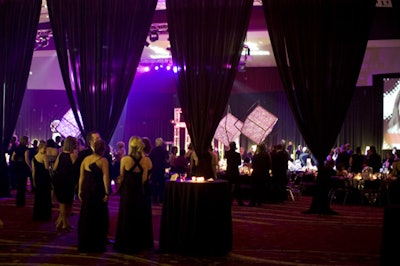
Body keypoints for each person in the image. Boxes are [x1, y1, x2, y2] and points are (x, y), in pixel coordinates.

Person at [114, 136, 153, 254]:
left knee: (127, 216)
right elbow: (144, 179)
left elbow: (121, 177)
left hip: (128, 192)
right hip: (140, 193)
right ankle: (139, 242)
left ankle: (126, 242)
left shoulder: (125, 159)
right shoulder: (146, 160)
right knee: (139, 216)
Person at [78, 139, 110, 253]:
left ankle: (85, 242)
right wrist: (107, 192)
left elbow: (81, 177)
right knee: (98, 217)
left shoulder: (85, 160)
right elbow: (105, 177)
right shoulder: (103, 161)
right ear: (103, 149)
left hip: (86, 190)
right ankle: (96, 243)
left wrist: (79, 190)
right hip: (97, 191)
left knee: (86, 215)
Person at [53, 136, 78, 232]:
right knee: (67, 203)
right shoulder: (73, 155)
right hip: (68, 182)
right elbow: (75, 170)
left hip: (59, 181)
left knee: (64, 203)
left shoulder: (61, 155)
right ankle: (65, 224)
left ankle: (60, 222)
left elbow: (55, 168)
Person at [31, 141, 52, 221]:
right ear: (40, 148)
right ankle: (45, 215)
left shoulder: (34, 157)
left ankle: (38, 214)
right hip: (44, 178)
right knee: (45, 197)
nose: (45, 150)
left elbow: (33, 171)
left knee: (38, 197)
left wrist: (33, 181)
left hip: (37, 178)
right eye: (45, 148)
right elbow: (47, 168)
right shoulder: (44, 156)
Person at [11, 135, 31, 207]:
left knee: (19, 186)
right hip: (23, 168)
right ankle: (22, 202)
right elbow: (26, 159)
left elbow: (12, 158)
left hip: (17, 167)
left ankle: (18, 202)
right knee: (23, 186)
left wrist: (17, 161)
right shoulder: (26, 149)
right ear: (25, 141)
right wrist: (30, 167)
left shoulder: (17, 148)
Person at [149, 137, 169, 204]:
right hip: (161, 169)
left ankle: (154, 199)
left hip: (154, 169)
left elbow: (150, 160)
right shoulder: (164, 151)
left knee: (154, 184)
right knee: (161, 185)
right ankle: (161, 199)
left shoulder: (153, 151)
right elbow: (166, 160)